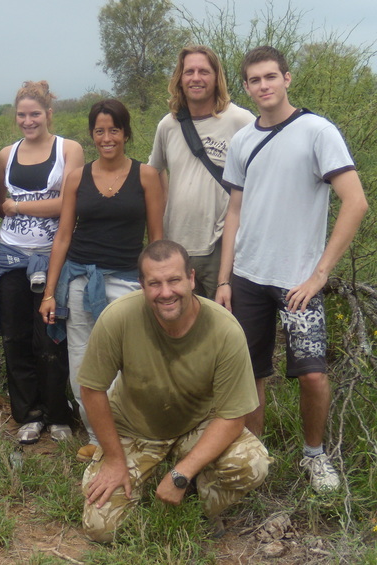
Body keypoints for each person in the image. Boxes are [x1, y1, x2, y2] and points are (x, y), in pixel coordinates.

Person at [216, 46, 368, 492]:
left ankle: (314, 455)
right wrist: (224, 279)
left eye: (270, 77)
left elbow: (355, 202)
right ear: (245, 86)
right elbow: (235, 213)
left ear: (287, 78)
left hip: (298, 281)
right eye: (254, 80)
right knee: (250, 373)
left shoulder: (318, 131)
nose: (263, 86)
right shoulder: (243, 140)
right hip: (247, 276)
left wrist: (319, 275)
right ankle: (253, 456)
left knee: (314, 373)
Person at [80, 240, 271, 543]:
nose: (165, 292)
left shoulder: (225, 330)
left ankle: (197, 497)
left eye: (174, 280)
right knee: (101, 529)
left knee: (252, 464)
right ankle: (137, 475)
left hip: (198, 425)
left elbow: (234, 416)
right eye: (154, 283)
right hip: (134, 428)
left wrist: (181, 474)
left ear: (191, 279)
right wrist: (115, 460)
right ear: (141, 285)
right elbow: (92, 389)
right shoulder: (118, 318)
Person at [39, 99, 164, 461]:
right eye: (99, 131)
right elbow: (63, 236)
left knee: (130, 362)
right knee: (81, 359)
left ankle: (128, 433)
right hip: (79, 279)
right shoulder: (77, 177)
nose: (107, 137)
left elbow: (156, 239)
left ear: (125, 133)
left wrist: (156, 288)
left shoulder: (147, 176)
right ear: (92, 134)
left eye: (114, 130)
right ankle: (96, 435)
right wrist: (50, 292)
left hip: (126, 283)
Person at [0, 81, 84, 444]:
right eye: (22, 115)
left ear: (48, 114)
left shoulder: (68, 150)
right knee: (16, 338)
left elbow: (70, 203)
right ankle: (28, 414)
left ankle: (58, 413)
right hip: (11, 256)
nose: (28, 121)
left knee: (51, 338)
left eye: (35, 114)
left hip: (52, 256)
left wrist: (20, 206)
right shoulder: (5, 155)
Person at [148, 45, 254, 298]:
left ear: (217, 77)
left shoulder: (240, 121)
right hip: (176, 246)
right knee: (182, 328)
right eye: (189, 72)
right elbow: (154, 171)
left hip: (222, 245)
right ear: (180, 79)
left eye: (204, 72)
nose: (196, 78)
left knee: (223, 326)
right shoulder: (168, 124)